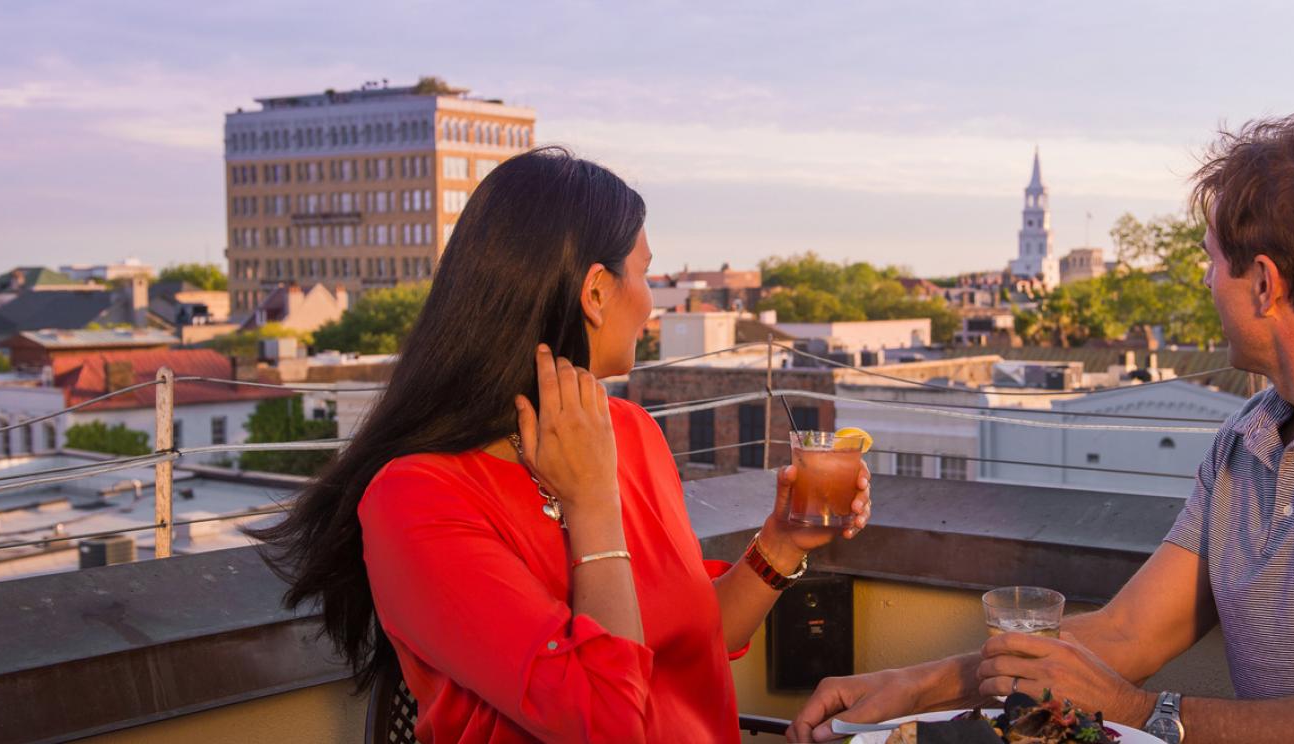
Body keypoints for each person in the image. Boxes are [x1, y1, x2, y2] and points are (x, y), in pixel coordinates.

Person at [791, 114, 1294, 743]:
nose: (1204, 283)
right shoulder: (1247, 441)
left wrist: (1155, 715)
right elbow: (1126, 636)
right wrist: (906, 685)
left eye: (1210, 264)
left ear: (1263, 284)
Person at [251, 147, 872, 743]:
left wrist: (783, 541)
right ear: (596, 292)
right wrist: (593, 503)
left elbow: (694, 636)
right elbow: (603, 722)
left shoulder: (631, 431)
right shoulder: (416, 499)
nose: (653, 305)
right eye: (646, 273)